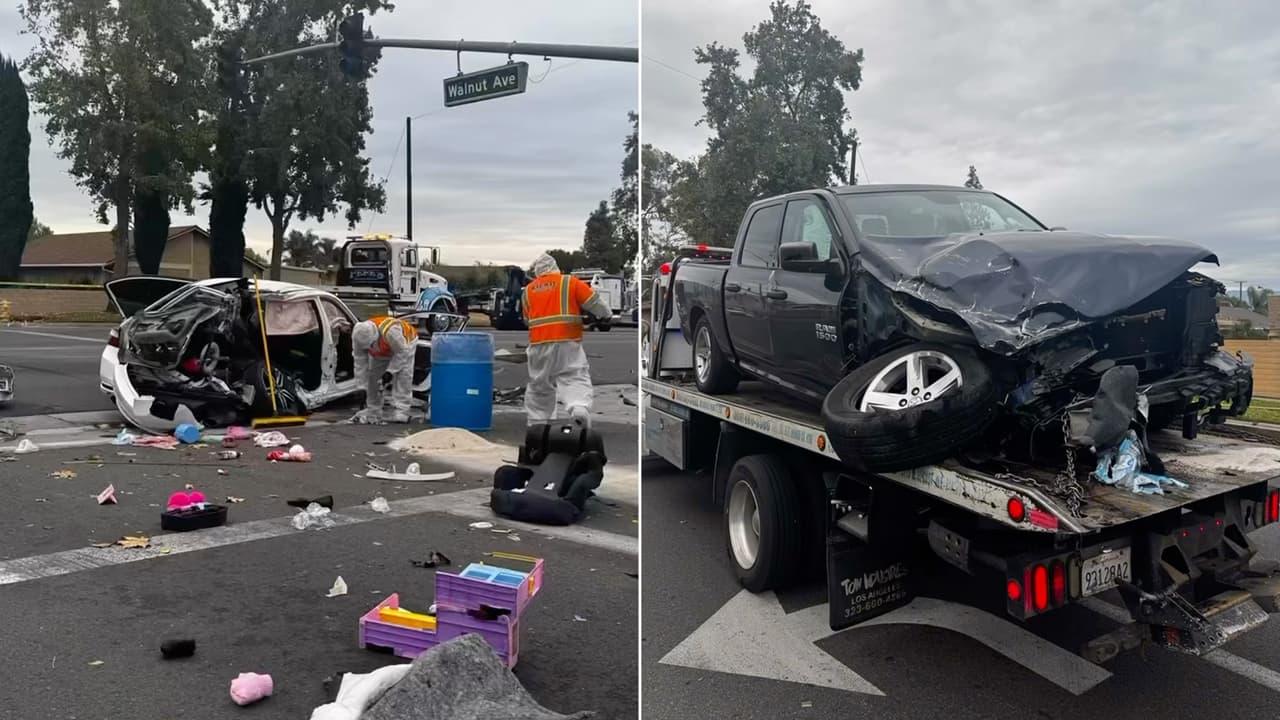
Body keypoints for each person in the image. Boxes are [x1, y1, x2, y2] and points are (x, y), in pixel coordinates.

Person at [521, 253, 613, 425]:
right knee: (573, 375)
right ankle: (578, 408)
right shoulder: (569, 282)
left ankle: (538, 423)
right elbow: (595, 303)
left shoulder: (528, 291)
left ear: (538, 271)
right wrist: (606, 315)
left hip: (538, 344)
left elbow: (528, 319)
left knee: (540, 384)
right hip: (567, 341)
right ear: (555, 267)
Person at [351, 314, 418, 423]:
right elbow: (360, 362)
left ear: (376, 336)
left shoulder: (391, 331)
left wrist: (390, 371)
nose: (369, 348)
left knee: (403, 376)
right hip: (382, 351)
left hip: (406, 343)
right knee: (374, 378)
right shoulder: (358, 335)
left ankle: (402, 411)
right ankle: (373, 410)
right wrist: (361, 387)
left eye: (371, 344)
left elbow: (402, 353)